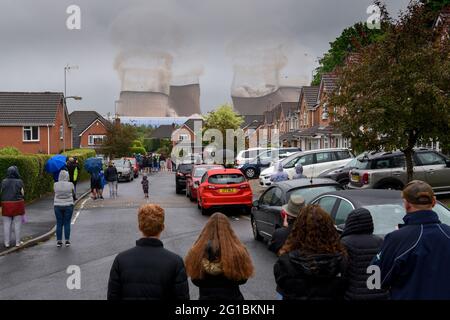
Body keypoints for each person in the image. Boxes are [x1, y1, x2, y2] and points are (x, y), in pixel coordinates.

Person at [371, 180, 450, 300]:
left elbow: (374, 281)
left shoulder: (396, 238)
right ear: (433, 202)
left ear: (406, 204)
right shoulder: (446, 233)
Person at [107, 204, 190, 300]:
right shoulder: (176, 262)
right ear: (162, 227)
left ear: (139, 227)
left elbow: (112, 296)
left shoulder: (120, 260)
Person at [274, 205, 348, 300]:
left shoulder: (286, 262)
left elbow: (283, 286)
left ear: (298, 229)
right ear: (329, 229)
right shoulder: (341, 260)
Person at [185, 212, 254, 300]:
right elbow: (243, 280)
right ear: (228, 228)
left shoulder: (197, 251)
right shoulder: (238, 251)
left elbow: (195, 280)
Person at [340, 208, 387, 300]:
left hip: (355, 294)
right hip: (380, 293)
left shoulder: (345, 242)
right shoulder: (380, 241)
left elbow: (343, 271)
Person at [1, 166, 25, 248]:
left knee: (6, 225)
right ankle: (17, 243)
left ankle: (6, 243)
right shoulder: (19, 181)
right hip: (17, 204)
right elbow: (22, 193)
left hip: (6, 204)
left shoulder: (3, 181)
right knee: (17, 224)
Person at [53, 170, 75, 247]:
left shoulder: (55, 184)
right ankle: (67, 241)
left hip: (57, 205)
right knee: (67, 223)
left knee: (59, 223)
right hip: (68, 204)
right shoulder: (70, 184)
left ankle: (59, 241)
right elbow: (73, 193)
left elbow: (55, 192)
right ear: (67, 176)